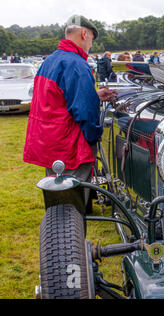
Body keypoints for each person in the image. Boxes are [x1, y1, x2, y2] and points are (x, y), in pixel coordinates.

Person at [23, 15, 117, 201]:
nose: (90, 45)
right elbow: (85, 113)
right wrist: (95, 136)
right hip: (71, 148)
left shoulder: (50, 61)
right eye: (91, 39)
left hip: (51, 145)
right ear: (84, 34)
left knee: (56, 200)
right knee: (73, 207)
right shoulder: (76, 64)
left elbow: (57, 98)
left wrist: (93, 96)